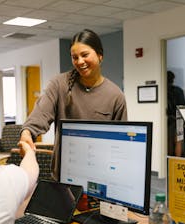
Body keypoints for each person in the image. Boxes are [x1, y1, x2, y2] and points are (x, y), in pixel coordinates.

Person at [20, 29, 128, 180]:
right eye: (74, 57)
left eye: (85, 55)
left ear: (100, 55)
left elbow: (121, 144)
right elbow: (41, 114)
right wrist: (27, 132)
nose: (80, 61)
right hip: (64, 176)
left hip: (99, 177)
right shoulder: (59, 85)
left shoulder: (115, 96)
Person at [167, 70, 185, 156]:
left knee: (168, 142)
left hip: (168, 119)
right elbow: (183, 107)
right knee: (178, 141)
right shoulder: (179, 90)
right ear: (173, 79)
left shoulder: (163, 90)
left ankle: (168, 163)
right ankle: (177, 162)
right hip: (179, 119)